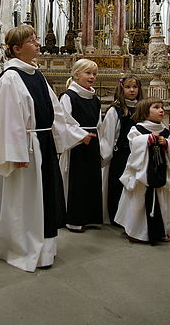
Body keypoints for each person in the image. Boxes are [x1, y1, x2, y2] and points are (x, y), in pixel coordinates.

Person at [0, 25, 87, 272]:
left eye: (36, 39)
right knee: (25, 199)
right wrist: (16, 154)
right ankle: (20, 245)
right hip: (27, 149)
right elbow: (9, 119)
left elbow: (56, 111)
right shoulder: (10, 78)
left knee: (43, 198)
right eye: (31, 41)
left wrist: (64, 138)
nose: (38, 43)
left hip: (43, 143)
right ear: (16, 49)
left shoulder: (36, 74)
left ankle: (42, 247)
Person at [115, 97, 170, 245]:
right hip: (142, 173)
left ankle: (161, 229)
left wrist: (167, 143)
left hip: (158, 171)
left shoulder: (164, 131)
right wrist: (148, 139)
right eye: (156, 107)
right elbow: (133, 142)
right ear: (145, 113)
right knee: (138, 201)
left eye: (162, 107)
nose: (161, 110)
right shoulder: (137, 128)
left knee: (161, 200)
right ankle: (135, 230)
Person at [59, 58, 103, 233]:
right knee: (77, 182)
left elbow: (99, 124)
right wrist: (80, 136)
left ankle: (91, 217)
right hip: (76, 145)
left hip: (92, 142)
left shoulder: (94, 98)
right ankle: (74, 219)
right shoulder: (68, 97)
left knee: (92, 180)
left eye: (94, 74)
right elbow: (62, 122)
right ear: (76, 75)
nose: (92, 77)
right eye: (88, 73)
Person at [100, 75, 143, 225]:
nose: (132, 90)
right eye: (128, 87)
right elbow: (109, 135)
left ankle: (133, 216)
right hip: (121, 154)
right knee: (118, 185)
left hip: (138, 155)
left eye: (135, 87)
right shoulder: (115, 110)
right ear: (121, 89)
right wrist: (106, 155)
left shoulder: (143, 109)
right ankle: (116, 216)